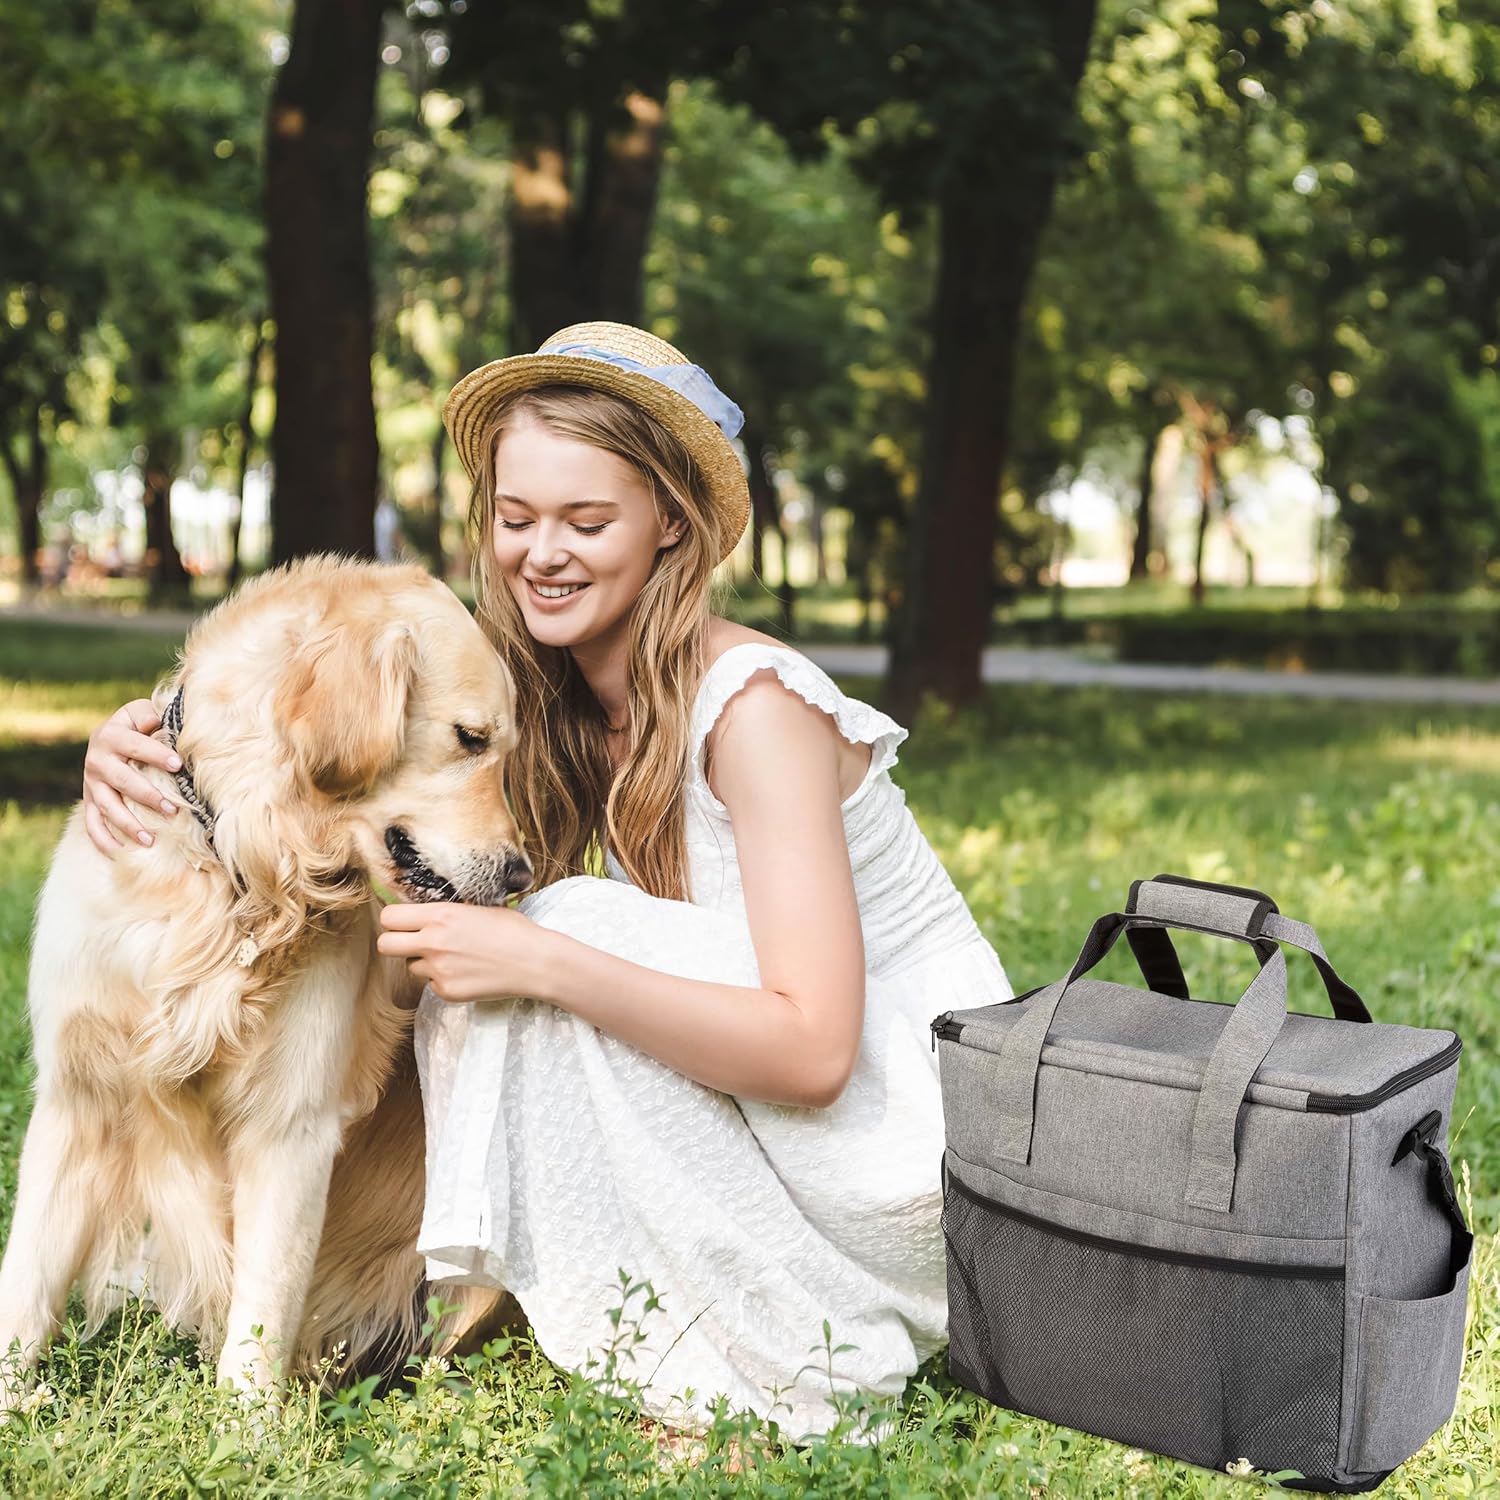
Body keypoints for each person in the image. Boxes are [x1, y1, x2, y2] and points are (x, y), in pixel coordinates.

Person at [80, 321, 1013, 1443]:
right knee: (475, 943)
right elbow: (329, 782)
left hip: (909, 1159)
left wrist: (548, 959)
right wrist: (152, 753)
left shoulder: (756, 710)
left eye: (586, 521)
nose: (542, 555)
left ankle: (722, 1362)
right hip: (783, 1116)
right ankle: (325, 1274)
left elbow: (815, 1050)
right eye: (516, 520)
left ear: (672, 520)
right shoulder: (532, 698)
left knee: (551, 929)